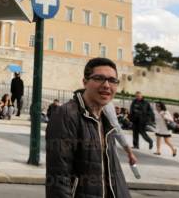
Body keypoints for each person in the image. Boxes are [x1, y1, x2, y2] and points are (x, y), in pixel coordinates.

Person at [46, 57, 131, 198]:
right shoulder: (66, 115)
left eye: (112, 80)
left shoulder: (105, 120)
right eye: (99, 78)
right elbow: (59, 177)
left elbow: (114, 174)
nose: (106, 85)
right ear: (85, 82)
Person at [103, 101, 138, 166]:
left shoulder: (79, 97)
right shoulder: (105, 103)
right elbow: (115, 128)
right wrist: (130, 153)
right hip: (102, 149)